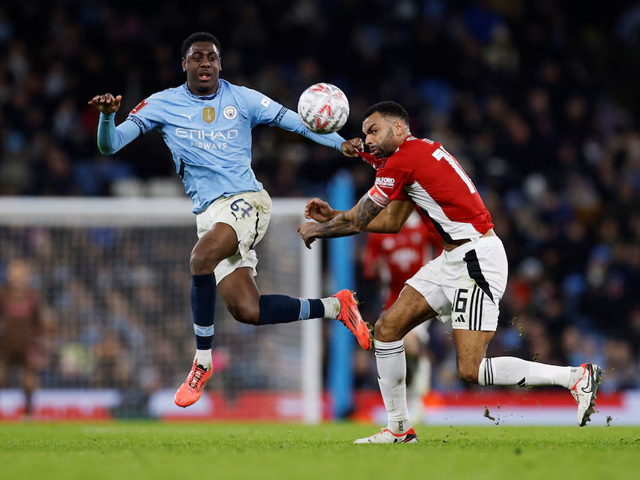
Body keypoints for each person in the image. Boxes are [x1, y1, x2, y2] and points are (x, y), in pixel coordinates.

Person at [89, 32, 372, 408]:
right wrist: (108, 119)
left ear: (220, 64)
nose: (205, 62)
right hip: (208, 215)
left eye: (212, 57)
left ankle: (202, 361)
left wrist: (342, 143)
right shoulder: (161, 105)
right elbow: (110, 145)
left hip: (246, 201)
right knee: (247, 311)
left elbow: (297, 122)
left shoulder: (242, 98)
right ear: (184, 65)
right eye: (197, 57)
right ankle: (337, 306)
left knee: (199, 259)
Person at [299, 101, 604, 443]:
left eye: (374, 131)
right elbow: (391, 221)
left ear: (399, 129)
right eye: (365, 133)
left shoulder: (403, 161)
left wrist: (319, 229)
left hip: (476, 259)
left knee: (470, 369)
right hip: (451, 259)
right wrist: (334, 214)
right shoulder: (415, 156)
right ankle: (399, 428)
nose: (367, 139)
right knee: (387, 329)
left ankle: (575, 377)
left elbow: (359, 219)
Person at [362, 212, 441, 421]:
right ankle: (406, 402)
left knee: (410, 343)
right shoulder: (379, 230)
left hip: (421, 296)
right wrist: (374, 268)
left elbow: (444, 247)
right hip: (391, 300)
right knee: (393, 353)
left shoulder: (424, 225)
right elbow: (368, 268)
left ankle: (419, 393)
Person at [0, 259, 43, 419]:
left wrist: (39, 344)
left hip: (27, 345)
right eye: (14, 273)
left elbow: (38, 323)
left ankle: (29, 414)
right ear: (9, 275)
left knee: (29, 380)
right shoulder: (3, 295)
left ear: (27, 276)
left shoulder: (32, 297)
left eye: (21, 274)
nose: (17, 277)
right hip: (5, 345)